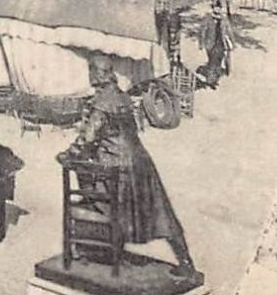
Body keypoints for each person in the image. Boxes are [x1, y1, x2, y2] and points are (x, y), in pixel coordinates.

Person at [59, 57, 199, 279]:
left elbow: (87, 139)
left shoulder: (101, 103)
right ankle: (185, 260)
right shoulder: (122, 97)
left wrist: (69, 154)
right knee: (161, 213)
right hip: (141, 162)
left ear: (97, 74)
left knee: (99, 202)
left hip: (116, 167)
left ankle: (95, 249)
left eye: (91, 71)